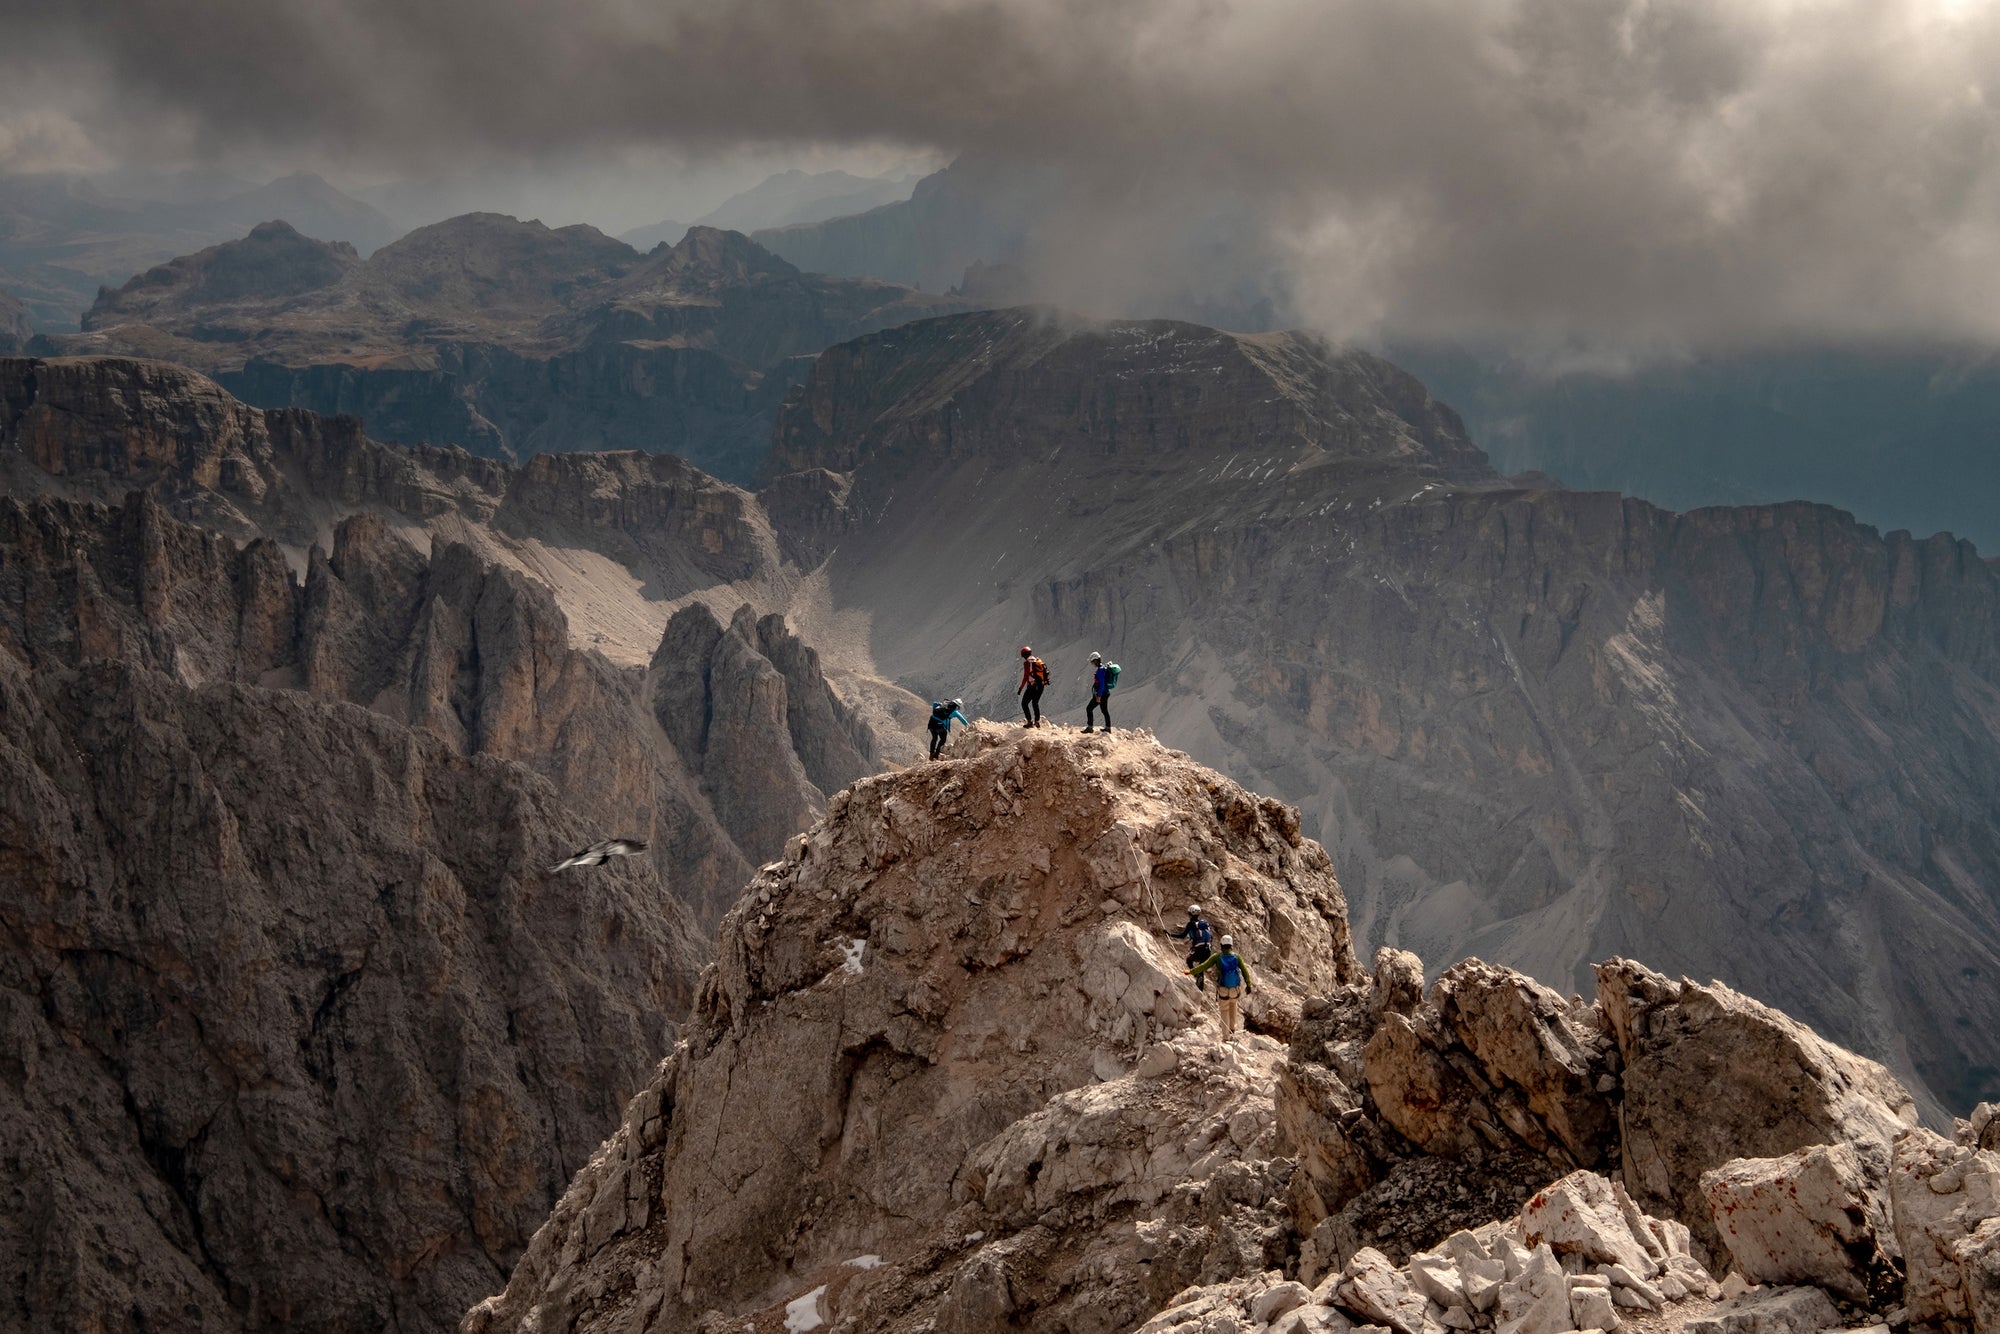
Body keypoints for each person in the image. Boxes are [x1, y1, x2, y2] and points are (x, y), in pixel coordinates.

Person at [1186, 935, 1255, 1038]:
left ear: (1222, 945)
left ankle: (1226, 1036)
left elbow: (1204, 966)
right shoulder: (1237, 957)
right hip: (1235, 989)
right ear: (1231, 946)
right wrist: (1248, 984)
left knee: (1224, 1010)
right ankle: (1232, 1029)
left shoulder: (1217, 957)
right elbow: (1245, 971)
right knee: (1233, 1006)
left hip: (1223, 989)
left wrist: (1191, 971)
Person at [1168, 904, 1216, 990]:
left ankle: (1196, 975)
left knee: (1189, 960)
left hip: (1199, 950)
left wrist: (1170, 934)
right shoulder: (1204, 924)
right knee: (1201, 967)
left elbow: (1182, 936)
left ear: (1190, 914)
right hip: (1208, 950)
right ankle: (1200, 988)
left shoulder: (1191, 924)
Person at [1017, 646, 1049, 727]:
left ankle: (1029, 722)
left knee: (1024, 703)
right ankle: (1037, 722)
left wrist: (1021, 688)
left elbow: (1025, 677)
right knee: (1035, 703)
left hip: (1032, 686)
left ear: (1024, 655)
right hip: (1041, 685)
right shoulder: (1038, 660)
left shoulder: (1027, 663)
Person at [1084, 651, 1114, 733]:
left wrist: (1098, 696)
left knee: (1089, 708)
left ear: (1095, 661)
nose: (1092, 664)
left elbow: (1101, 684)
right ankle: (1108, 728)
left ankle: (1090, 728)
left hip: (1101, 694)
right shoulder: (1103, 668)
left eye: (1092, 662)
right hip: (1106, 693)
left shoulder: (1100, 671)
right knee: (1104, 710)